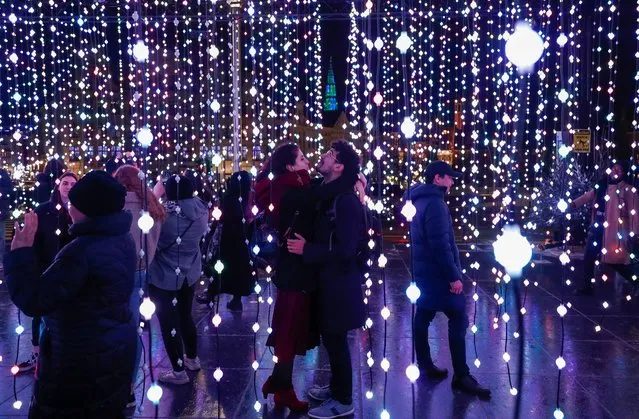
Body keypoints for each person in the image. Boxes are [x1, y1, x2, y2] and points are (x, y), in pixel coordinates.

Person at [3, 170, 137, 418]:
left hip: (78, 361)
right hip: (112, 350)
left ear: (87, 208)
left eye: (72, 203)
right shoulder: (122, 237)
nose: (68, 207)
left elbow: (34, 300)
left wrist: (18, 253)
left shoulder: (80, 252)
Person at [287, 140, 365, 419]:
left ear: (339, 166)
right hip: (329, 282)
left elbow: (347, 249)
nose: (323, 156)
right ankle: (335, 388)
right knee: (331, 340)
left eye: (330, 155)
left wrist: (308, 250)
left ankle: (344, 400)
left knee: (337, 341)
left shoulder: (345, 201)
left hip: (340, 285)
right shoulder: (329, 194)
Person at [406, 160, 490, 399]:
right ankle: (461, 375)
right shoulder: (435, 204)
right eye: (449, 177)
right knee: (458, 318)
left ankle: (425, 365)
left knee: (422, 317)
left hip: (424, 273)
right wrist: (454, 277)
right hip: (438, 276)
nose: (452, 181)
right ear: (437, 179)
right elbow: (441, 245)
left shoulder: (418, 200)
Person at [148, 174, 208, 385]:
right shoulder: (202, 210)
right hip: (189, 273)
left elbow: (147, 233)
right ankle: (192, 358)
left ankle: (178, 371)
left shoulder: (162, 215)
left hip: (164, 275)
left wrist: (154, 194)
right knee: (186, 316)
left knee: (168, 322)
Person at [114, 165, 166, 405]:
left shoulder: (115, 205)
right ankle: (128, 386)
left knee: (113, 328)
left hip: (116, 271)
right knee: (133, 328)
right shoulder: (151, 205)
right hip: (141, 270)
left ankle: (116, 384)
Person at [17, 172, 78, 373]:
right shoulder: (44, 211)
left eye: (73, 183)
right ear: (58, 186)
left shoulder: (79, 211)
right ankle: (38, 353)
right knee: (41, 313)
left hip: (70, 270)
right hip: (46, 267)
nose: (68, 187)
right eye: (65, 183)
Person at [571, 161, 639, 295]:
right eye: (614, 169)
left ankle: (636, 281)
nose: (616, 172)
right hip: (597, 227)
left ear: (624, 173)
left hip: (614, 232)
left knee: (614, 261)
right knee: (589, 256)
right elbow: (588, 196)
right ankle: (587, 286)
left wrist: (635, 232)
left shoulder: (629, 190)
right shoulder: (601, 186)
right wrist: (573, 204)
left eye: (619, 170)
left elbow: (635, 213)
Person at [207, 171, 255, 311]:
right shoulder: (246, 197)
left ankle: (212, 293)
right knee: (238, 268)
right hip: (241, 238)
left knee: (221, 266)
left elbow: (221, 216)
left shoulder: (229, 197)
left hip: (228, 238)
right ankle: (236, 299)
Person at [0, 167, 14, 272]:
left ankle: (1, 261)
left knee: (2, 237)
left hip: (2, 211)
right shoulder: (3, 173)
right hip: (3, 210)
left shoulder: (2, 173)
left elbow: (9, 189)